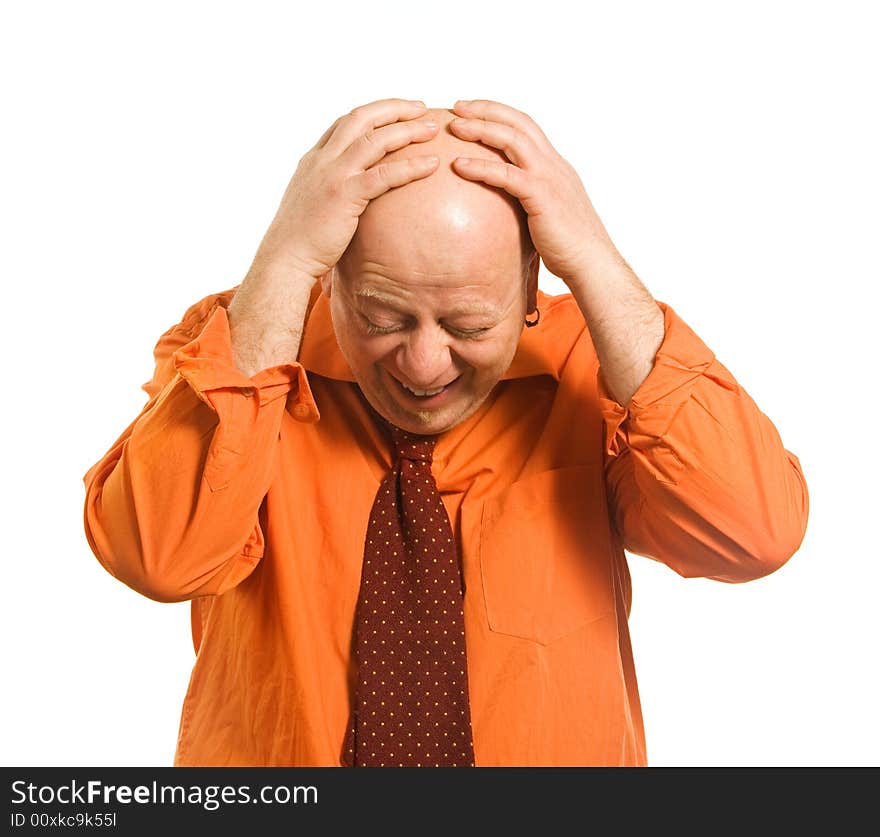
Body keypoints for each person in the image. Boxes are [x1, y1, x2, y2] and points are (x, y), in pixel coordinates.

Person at [82, 98, 810, 766]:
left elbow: (753, 532)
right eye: (382, 316)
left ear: (530, 286)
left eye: (468, 324)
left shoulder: (595, 369)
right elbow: (157, 555)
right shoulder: (240, 349)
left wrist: (593, 258)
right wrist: (286, 257)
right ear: (331, 277)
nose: (424, 364)